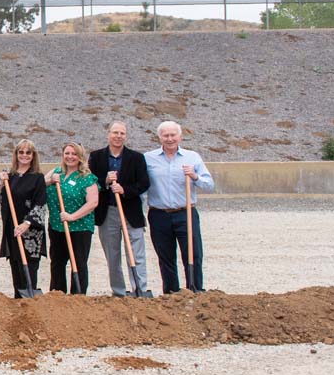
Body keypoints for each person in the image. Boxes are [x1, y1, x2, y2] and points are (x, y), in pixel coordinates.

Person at [144, 120, 214, 293]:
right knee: (165, 257)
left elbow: (210, 185)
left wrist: (194, 176)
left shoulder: (192, 157)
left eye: (173, 135)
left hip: (186, 212)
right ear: (159, 137)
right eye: (165, 135)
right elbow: (141, 186)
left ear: (180, 136)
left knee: (193, 254)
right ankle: (171, 294)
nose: (169, 139)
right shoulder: (148, 159)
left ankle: (195, 289)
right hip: (159, 214)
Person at [88, 121, 151, 297]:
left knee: (136, 253)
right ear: (108, 134)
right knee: (112, 255)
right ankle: (119, 292)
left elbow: (144, 182)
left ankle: (139, 289)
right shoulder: (96, 157)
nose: (118, 136)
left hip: (130, 211)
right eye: (115, 132)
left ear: (126, 136)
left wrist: (125, 190)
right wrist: (106, 181)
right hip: (108, 211)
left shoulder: (136, 157)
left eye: (122, 133)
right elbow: (90, 182)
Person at [0, 140, 47, 298]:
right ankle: (18, 300)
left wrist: (26, 224)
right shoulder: (10, 176)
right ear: (16, 155)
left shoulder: (37, 177)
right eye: (21, 152)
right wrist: (1, 183)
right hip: (13, 230)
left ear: (33, 155)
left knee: (29, 267)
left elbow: (41, 204)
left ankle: (30, 300)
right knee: (16, 267)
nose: (24, 155)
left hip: (30, 233)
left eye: (28, 152)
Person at [44, 142, 98, 294]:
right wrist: (50, 181)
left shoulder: (87, 177)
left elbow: (93, 202)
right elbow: (39, 186)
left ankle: (77, 297)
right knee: (57, 263)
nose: (70, 157)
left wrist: (72, 216)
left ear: (80, 157)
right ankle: (57, 295)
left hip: (80, 227)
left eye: (74, 154)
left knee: (78, 263)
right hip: (57, 226)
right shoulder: (56, 172)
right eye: (67, 153)